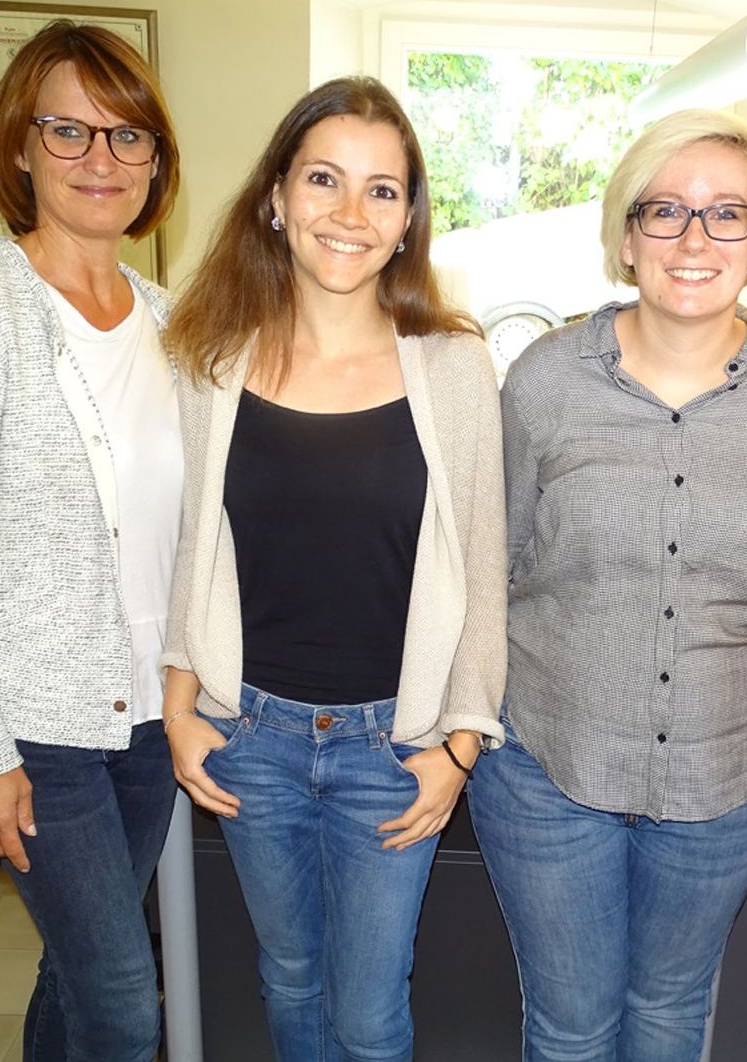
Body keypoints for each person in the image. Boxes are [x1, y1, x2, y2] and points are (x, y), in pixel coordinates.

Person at [468, 109, 747, 1060]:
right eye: (664, 209)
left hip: (723, 781)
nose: (692, 238)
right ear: (625, 236)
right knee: (569, 1026)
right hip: (551, 768)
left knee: (671, 1015)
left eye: (726, 215)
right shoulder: (544, 381)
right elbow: (496, 564)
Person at [159, 77, 506, 1062]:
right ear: (276, 197)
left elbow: (481, 569)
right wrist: (182, 706)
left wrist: (458, 749)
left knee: (367, 1009)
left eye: (382, 191)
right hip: (250, 736)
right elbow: (197, 546)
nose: (350, 214)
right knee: (287, 977)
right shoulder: (213, 359)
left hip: (388, 749)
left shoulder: (452, 366)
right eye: (323, 179)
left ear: (408, 220)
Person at [0, 21, 182, 1062]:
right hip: (37, 726)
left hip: (152, 719)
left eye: (128, 136)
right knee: (121, 999)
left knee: (77, 971)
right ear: (20, 145)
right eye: (70, 132)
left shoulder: (171, 319)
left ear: (157, 159)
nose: (102, 161)